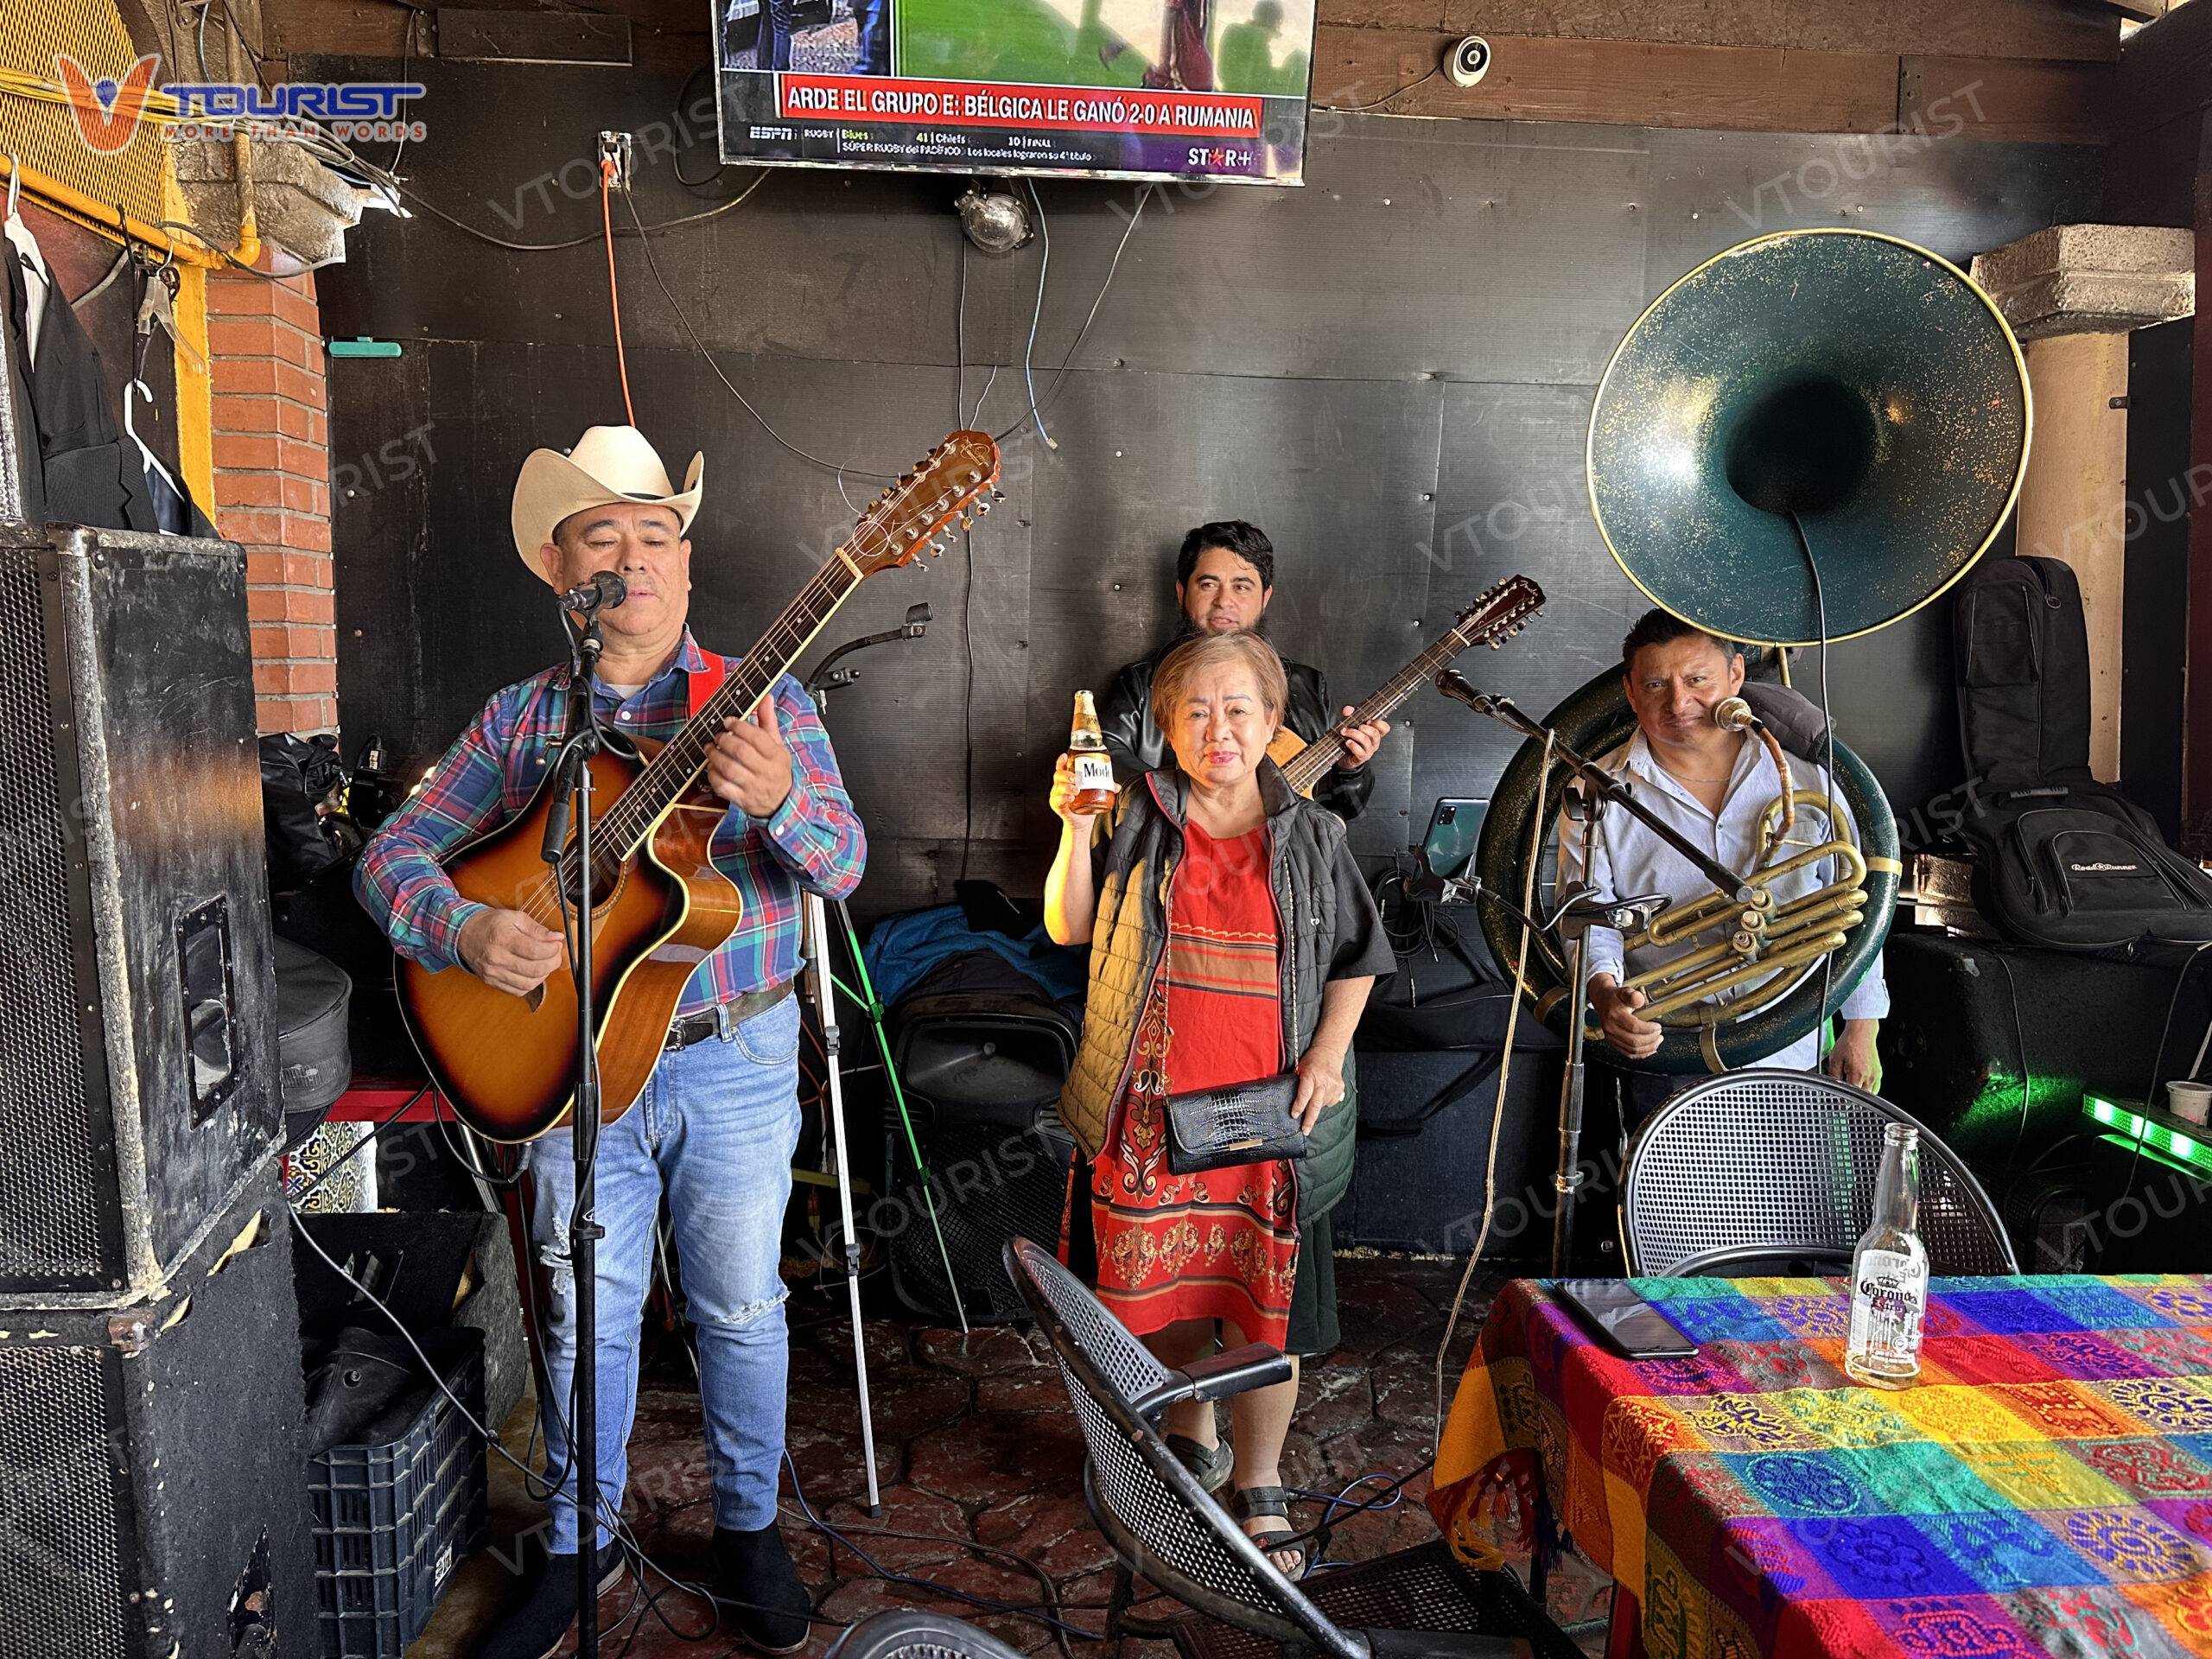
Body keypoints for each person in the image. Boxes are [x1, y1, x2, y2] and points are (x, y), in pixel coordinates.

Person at [355, 425, 865, 1659]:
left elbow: (843, 867)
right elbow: (391, 855)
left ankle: (747, 1530)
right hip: (566, 1064)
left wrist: (782, 802)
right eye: (604, 537)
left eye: (657, 536)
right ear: (559, 568)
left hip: (729, 1058)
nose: (634, 560)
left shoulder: (770, 702)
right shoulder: (523, 721)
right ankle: (576, 1543)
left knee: (741, 1308)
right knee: (585, 1314)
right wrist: (465, 927)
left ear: (685, 567)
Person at [1046, 631, 1393, 1580]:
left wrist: (1326, 1054)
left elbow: (1359, 957)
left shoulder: (1312, 833)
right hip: (1146, 1114)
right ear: (1165, 729)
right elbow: (1069, 926)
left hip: (1257, 1114)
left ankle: (1263, 1476)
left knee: (1255, 1305)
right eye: (1195, 712)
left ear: (1274, 724)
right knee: (1162, 1302)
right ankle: (1190, 1441)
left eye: (1239, 709)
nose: (1219, 729)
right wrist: (1073, 831)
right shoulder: (1132, 814)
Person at [1571, 609, 1887, 1107]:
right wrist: (1605, 995)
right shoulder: (1594, 793)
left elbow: (1853, 901)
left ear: (1735, 675)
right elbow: (1590, 919)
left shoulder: (1810, 778)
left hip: (1795, 1041)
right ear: (1631, 693)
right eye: (1656, 685)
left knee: (1806, 1186)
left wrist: (1862, 1029)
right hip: (1668, 1049)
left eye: (1698, 679)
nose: (1679, 702)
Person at [1096, 520, 1387, 824]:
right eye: (1208, 585)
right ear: (1182, 593)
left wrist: (1350, 770)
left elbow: (1340, 809)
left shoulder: (1310, 688)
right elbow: (1101, 760)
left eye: (1241, 587)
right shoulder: (1141, 684)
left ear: (1265, 598)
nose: (1224, 601)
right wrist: (1196, 805)